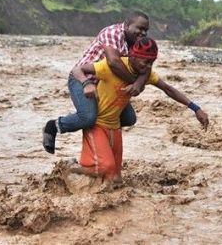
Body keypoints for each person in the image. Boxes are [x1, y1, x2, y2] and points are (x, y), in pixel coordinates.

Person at [68, 37, 209, 184]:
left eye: (152, 62)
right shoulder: (111, 67)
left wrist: (196, 108)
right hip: (96, 124)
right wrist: (86, 83)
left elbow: (168, 89)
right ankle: (70, 170)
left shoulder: (145, 74)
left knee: (116, 179)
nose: (148, 66)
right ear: (133, 56)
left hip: (114, 127)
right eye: (145, 61)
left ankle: (90, 187)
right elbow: (77, 70)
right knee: (105, 168)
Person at [43, 11, 151, 154]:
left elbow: (148, 66)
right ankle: (54, 126)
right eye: (139, 28)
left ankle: (98, 137)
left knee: (129, 118)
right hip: (83, 78)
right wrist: (134, 82)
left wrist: (139, 83)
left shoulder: (137, 43)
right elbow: (113, 62)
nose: (143, 33)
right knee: (88, 118)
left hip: (106, 86)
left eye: (145, 30)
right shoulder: (112, 33)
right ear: (126, 25)